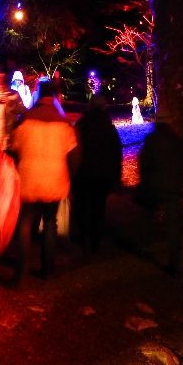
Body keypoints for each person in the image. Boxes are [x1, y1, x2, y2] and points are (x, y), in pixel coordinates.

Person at [8, 78, 78, 281]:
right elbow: (74, 156)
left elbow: (13, 148)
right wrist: (68, 176)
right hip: (55, 180)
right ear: (55, 97)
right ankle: (48, 269)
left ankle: (21, 271)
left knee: (25, 222)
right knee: (50, 222)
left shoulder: (26, 119)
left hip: (28, 179)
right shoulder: (65, 124)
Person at [136, 111, 183, 276]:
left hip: (154, 187)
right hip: (173, 189)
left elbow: (144, 163)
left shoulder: (151, 141)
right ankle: (174, 262)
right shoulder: (178, 142)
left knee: (147, 217)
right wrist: (181, 184)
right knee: (173, 226)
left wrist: (145, 180)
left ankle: (144, 246)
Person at [72, 96, 123, 254]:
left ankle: (82, 236)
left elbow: (75, 147)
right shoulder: (109, 127)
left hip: (83, 172)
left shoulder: (82, 125)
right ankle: (95, 239)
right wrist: (116, 174)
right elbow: (116, 152)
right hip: (102, 175)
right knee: (98, 207)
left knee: (82, 205)